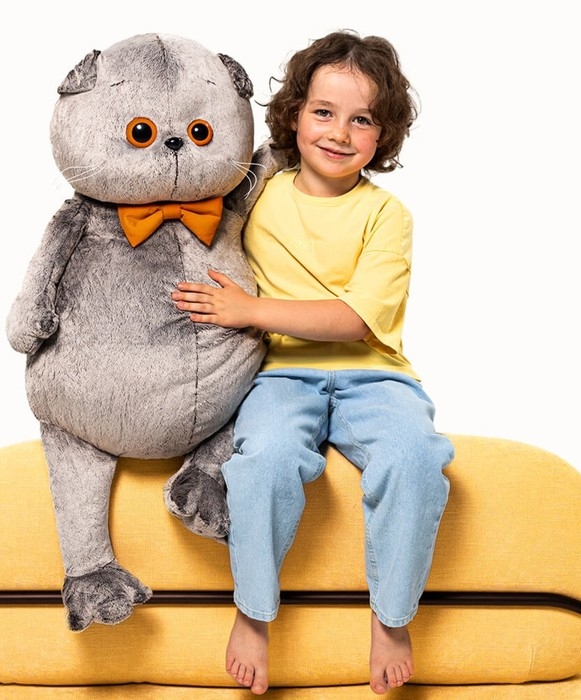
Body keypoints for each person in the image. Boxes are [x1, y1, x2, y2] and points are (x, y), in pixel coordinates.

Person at [171, 29, 454, 695]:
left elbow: (355, 320)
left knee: (415, 458)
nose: (339, 133)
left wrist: (249, 310)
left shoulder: (386, 215)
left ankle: (392, 617)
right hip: (280, 377)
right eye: (323, 112)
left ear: (384, 135)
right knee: (263, 461)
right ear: (294, 114)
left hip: (376, 377)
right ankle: (253, 613)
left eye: (363, 120)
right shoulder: (260, 189)